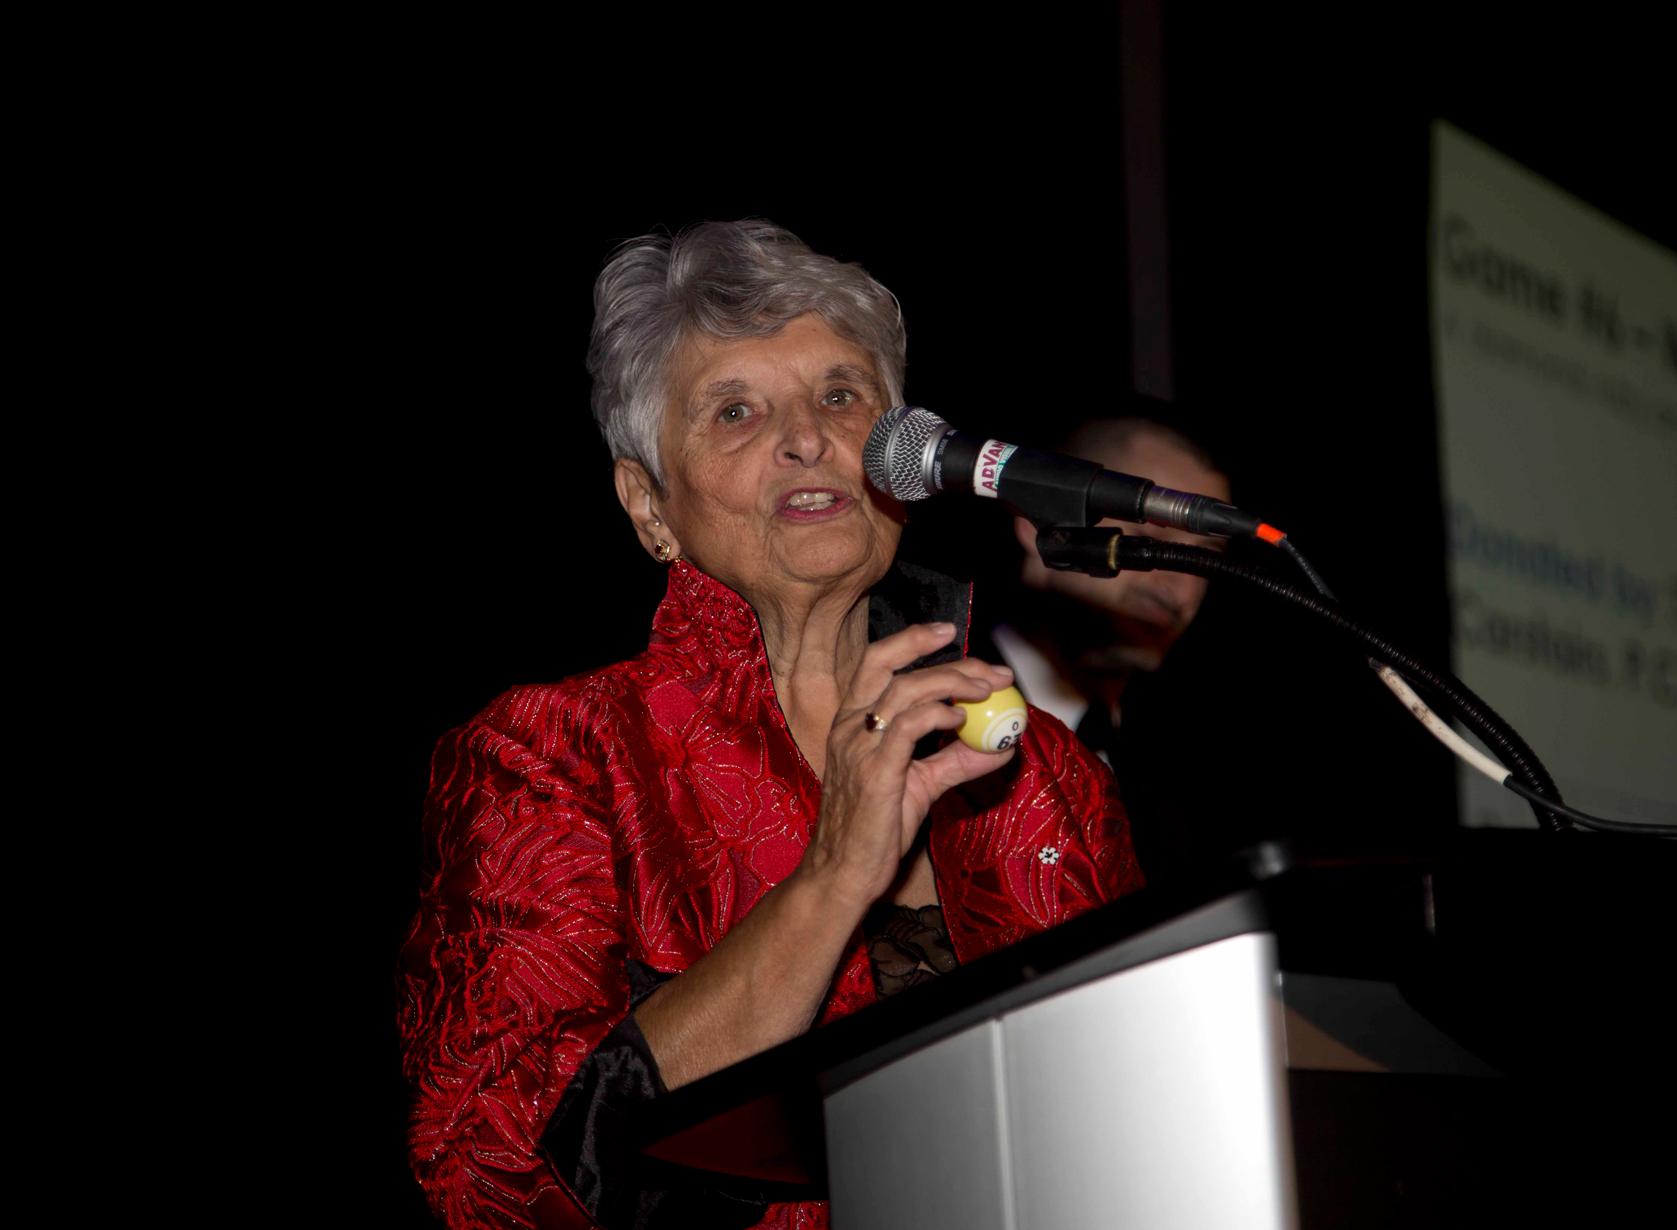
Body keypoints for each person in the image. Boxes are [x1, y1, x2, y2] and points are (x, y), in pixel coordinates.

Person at [396, 221, 1143, 1229]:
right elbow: (496, 1180)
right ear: (647, 506)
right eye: (734, 411)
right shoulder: (556, 755)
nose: (807, 437)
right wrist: (834, 878)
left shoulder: (1043, 769)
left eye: (841, 396)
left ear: (903, 461)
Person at [987, 417, 1230, 881]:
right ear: (1039, 523)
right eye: (1149, 541)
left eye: (1204, 558)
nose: (1179, 590)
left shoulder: (1184, 781)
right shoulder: (931, 711)